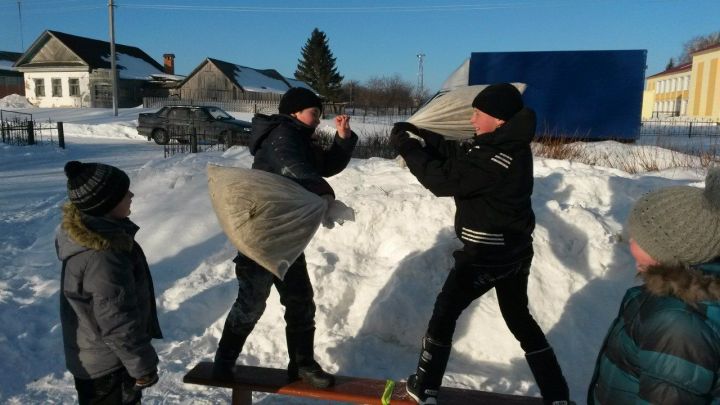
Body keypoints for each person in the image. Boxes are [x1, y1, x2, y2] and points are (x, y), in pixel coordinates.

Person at [390, 83, 570, 405]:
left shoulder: (499, 156)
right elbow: (458, 158)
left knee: (445, 313)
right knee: (519, 319)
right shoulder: (498, 145)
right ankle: (556, 395)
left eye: (478, 113)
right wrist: (425, 136)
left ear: (498, 119)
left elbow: (444, 180)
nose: (472, 120)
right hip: (511, 250)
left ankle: (425, 386)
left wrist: (407, 146)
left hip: (488, 254)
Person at [213, 87, 358, 388]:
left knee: (300, 300)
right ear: (294, 112)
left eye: (319, 114)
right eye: (314, 113)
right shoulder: (282, 136)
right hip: (261, 235)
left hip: (286, 234)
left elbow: (324, 167)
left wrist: (342, 138)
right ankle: (223, 362)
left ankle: (302, 364)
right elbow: (297, 170)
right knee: (251, 304)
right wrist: (325, 196)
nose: (318, 119)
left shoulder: (300, 137)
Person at [588, 168, 720, 404]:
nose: (630, 239)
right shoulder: (681, 300)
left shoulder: (678, 324)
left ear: (668, 252)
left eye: (637, 237)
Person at [56, 161, 162, 405]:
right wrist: (142, 366)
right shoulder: (103, 255)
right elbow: (116, 319)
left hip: (97, 357)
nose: (132, 195)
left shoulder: (99, 239)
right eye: (124, 193)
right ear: (106, 204)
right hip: (109, 365)